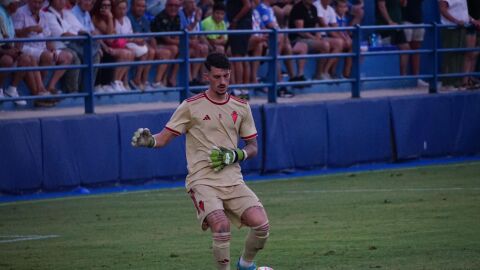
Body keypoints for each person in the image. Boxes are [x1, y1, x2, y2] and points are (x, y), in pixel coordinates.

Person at [131, 52, 269, 270]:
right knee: (221, 226)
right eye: (217, 77)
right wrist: (149, 142)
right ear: (207, 77)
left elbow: (253, 147)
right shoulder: (190, 106)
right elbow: (163, 139)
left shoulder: (241, 107)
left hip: (233, 180)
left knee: (262, 225)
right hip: (202, 180)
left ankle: (245, 265)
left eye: (226, 76)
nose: (222, 82)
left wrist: (235, 154)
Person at [13, 0, 74, 99]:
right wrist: (29, 29)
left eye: (40, 3)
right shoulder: (20, 12)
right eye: (35, 2)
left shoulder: (43, 15)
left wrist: (53, 49)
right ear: (29, 1)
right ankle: (40, 88)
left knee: (68, 56)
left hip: (41, 47)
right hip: (25, 46)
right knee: (47, 56)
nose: (37, 5)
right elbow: (15, 33)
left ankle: (50, 86)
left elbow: (48, 37)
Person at [256, 0, 304, 97]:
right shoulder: (262, 8)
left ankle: (292, 77)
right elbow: (272, 27)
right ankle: (279, 85)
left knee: (286, 46)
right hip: (263, 44)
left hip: (272, 42)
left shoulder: (269, 8)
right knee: (280, 41)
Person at [91, 0, 135, 92]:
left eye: (109, 5)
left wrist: (110, 19)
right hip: (101, 47)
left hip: (109, 45)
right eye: (104, 5)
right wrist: (110, 18)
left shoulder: (110, 18)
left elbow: (113, 35)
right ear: (99, 5)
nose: (106, 8)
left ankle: (118, 81)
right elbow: (110, 37)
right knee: (124, 53)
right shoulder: (96, 18)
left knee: (131, 53)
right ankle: (113, 82)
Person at [128, 0, 172, 90]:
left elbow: (150, 36)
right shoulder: (128, 18)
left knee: (166, 53)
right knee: (150, 51)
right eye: (138, 6)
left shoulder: (143, 19)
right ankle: (138, 80)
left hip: (144, 45)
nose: (141, 9)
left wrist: (155, 46)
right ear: (132, 6)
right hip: (132, 44)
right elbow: (131, 37)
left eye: (143, 6)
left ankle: (156, 82)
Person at [0, 0, 36, 106]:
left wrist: (16, 49)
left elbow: (11, 38)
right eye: (17, 3)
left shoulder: (8, 15)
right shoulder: (1, 15)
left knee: (26, 59)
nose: (19, 5)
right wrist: (8, 51)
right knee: (7, 60)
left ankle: (12, 90)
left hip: (6, 49)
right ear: (11, 4)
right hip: (3, 52)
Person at [439, 0, 478, 89]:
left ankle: (458, 82)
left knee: (460, 55)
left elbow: (462, 12)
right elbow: (442, 9)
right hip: (451, 29)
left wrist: (472, 20)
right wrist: (456, 21)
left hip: (462, 28)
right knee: (451, 56)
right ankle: (448, 83)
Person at [288, 0, 329, 83]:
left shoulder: (314, 8)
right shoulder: (298, 8)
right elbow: (300, 31)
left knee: (337, 43)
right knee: (325, 45)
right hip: (298, 38)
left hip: (311, 38)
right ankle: (318, 74)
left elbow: (316, 26)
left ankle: (327, 72)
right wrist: (314, 38)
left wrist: (318, 35)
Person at [150, 0, 181, 87]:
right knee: (173, 49)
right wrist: (186, 42)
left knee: (183, 50)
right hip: (156, 44)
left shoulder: (177, 17)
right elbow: (166, 39)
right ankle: (160, 79)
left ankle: (171, 77)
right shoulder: (161, 17)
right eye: (171, 5)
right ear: (166, 6)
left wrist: (184, 43)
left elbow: (176, 36)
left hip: (169, 45)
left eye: (176, 6)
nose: (173, 8)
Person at [375, 0, 410, 76]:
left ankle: (403, 75)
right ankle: (386, 76)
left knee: (405, 47)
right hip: (386, 26)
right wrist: (389, 21)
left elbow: (403, 4)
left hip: (398, 24)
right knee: (388, 49)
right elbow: (381, 6)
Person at [227, 0, 252, 100]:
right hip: (244, 25)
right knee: (243, 57)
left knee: (238, 57)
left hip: (240, 25)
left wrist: (235, 20)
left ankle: (239, 89)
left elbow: (247, 5)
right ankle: (244, 90)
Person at [179, 0, 209, 86]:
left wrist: (209, 45)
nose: (193, 5)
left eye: (194, 2)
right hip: (182, 42)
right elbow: (185, 31)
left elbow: (199, 33)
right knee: (192, 50)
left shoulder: (196, 13)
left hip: (194, 42)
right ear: (184, 4)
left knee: (204, 48)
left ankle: (196, 78)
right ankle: (189, 79)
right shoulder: (180, 14)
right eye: (190, 2)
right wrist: (195, 21)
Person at [314, 0, 344, 79]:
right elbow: (324, 25)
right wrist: (339, 37)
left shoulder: (330, 9)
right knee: (339, 41)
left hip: (326, 36)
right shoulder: (316, 5)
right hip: (317, 36)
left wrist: (344, 37)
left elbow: (335, 27)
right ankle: (321, 73)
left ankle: (326, 71)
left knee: (341, 43)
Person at [402, 0, 429, 87]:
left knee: (416, 50)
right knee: (405, 50)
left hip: (418, 20)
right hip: (406, 20)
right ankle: (404, 79)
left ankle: (416, 78)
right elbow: (402, 4)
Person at [333, 0, 353, 78]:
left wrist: (348, 38)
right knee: (341, 45)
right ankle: (333, 71)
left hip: (343, 39)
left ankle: (347, 73)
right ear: (336, 8)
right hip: (335, 38)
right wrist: (346, 39)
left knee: (354, 47)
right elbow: (337, 31)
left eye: (344, 7)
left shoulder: (344, 18)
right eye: (340, 7)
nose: (342, 9)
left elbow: (345, 31)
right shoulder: (334, 16)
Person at [466, 0, 480, 87]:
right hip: (470, 27)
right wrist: (473, 20)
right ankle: (467, 78)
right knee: (470, 53)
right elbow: (463, 11)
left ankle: (470, 76)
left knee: (475, 53)